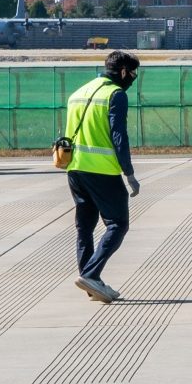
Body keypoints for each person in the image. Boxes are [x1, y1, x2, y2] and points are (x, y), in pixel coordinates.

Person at [62, 51, 143, 302]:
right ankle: (91, 275)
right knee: (118, 223)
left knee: (84, 228)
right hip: (102, 170)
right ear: (122, 72)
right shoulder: (115, 95)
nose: (132, 78)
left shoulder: (78, 93)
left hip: (75, 168)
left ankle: (90, 282)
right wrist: (128, 173)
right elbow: (119, 136)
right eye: (132, 73)